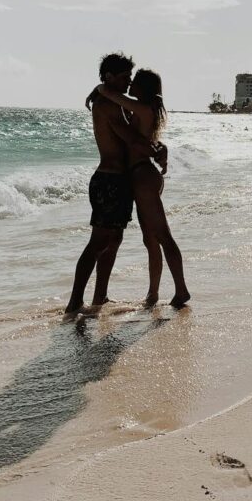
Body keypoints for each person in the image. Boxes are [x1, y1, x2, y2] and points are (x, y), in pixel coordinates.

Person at [63, 53, 161, 321]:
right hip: (108, 180)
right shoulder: (106, 106)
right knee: (98, 243)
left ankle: (100, 297)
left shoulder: (113, 103)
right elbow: (131, 139)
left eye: (130, 76)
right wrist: (156, 151)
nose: (129, 81)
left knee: (113, 241)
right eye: (124, 76)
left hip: (118, 181)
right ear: (109, 77)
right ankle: (74, 303)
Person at [92, 69, 191, 309]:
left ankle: (181, 290)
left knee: (163, 236)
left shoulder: (142, 108)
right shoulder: (146, 110)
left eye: (134, 82)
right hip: (142, 175)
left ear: (143, 88)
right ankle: (153, 295)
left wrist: (98, 88)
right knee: (150, 239)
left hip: (142, 175)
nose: (131, 84)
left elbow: (110, 93)